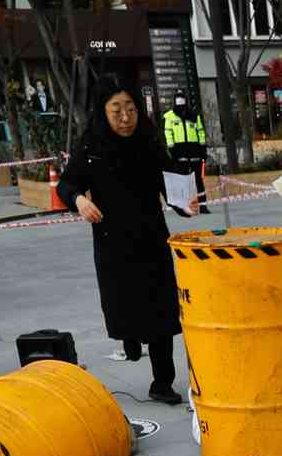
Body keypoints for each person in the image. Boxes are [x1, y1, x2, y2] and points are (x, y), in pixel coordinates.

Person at [57, 77, 201, 408]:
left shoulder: (149, 141)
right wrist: (79, 200)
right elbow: (67, 184)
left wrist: (186, 206)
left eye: (131, 109)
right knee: (124, 307)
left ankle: (161, 382)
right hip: (113, 243)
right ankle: (130, 337)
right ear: (103, 112)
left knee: (162, 313)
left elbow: (172, 185)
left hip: (152, 238)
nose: (125, 118)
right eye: (116, 110)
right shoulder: (91, 146)